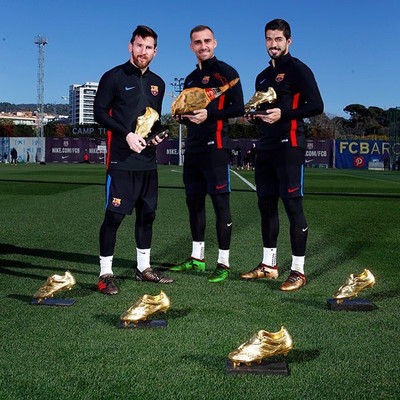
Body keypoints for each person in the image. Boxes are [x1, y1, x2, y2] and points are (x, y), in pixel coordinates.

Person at [241, 19, 323, 291]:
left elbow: (317, 105)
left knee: (292, 206)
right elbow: (264, 111)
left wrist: (284, 113)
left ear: (289, 41)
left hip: (290, 144)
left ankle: (298, 271)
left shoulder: (298, 69)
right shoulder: (262, 76)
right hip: (266, 146)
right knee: (266, 206)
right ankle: (269, 265)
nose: (273, 44)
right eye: (269, 39)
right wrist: (254, 117)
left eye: (278, 39)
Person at [94, 25, 173, 295]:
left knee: (147, 215)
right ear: (130, 46)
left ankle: (143, 268)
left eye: (148, 47)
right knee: (114, 217)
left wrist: (157, 135)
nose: (143, 51)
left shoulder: (159, 83)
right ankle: (105, 273)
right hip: (121, 160)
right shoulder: (113, 77)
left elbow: (153, 120)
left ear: (155, 51)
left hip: (148, 162)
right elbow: (99, 113)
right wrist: (126, 135)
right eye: (139, 46)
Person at [170, 25, 244, 282]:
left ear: (215, 43)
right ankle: (197, 258)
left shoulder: (227, 73)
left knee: (220, 204)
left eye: (207, 41)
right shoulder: (190, 78)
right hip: (194, 147)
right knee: (194, 203)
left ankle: (223, 263)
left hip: (216, 146)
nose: (203, 46)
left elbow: (238, 107)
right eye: (197, 42)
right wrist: (182, 117)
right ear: (191, 46)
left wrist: (209, 114)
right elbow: (190, 113)